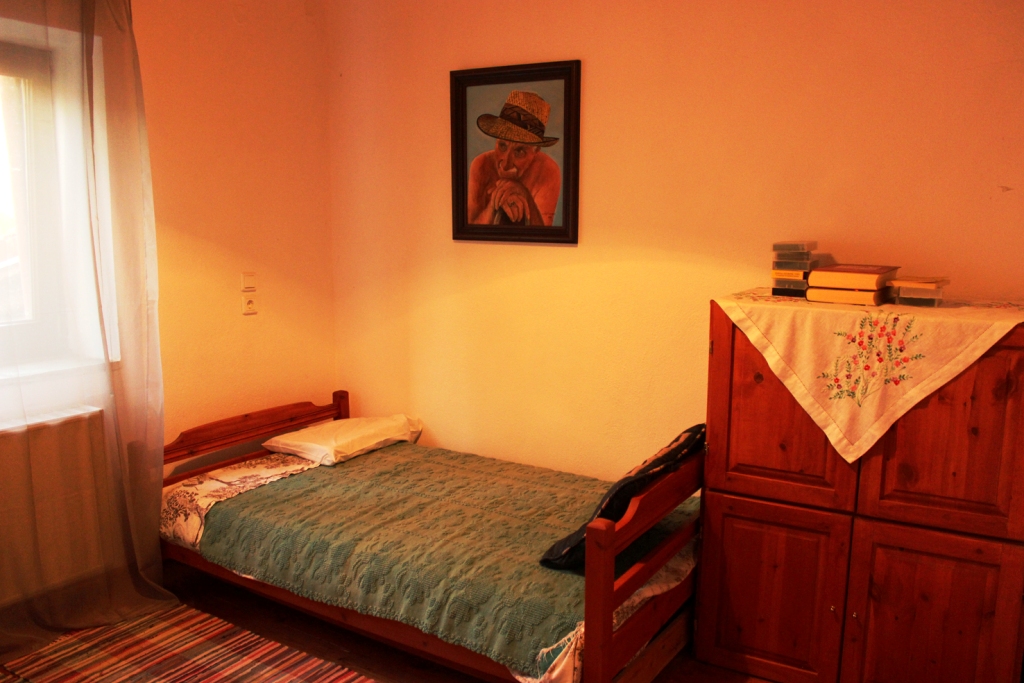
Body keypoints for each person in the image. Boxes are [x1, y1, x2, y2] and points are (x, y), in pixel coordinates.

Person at [468, 90, 562, 226]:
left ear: (536, 150)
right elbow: (469, 229)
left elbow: (545, 235)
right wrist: (493, 205)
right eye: (502, 146)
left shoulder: (549, 170)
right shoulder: (480, 165)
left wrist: (525, 196)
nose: (506, 164)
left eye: (519, 151)